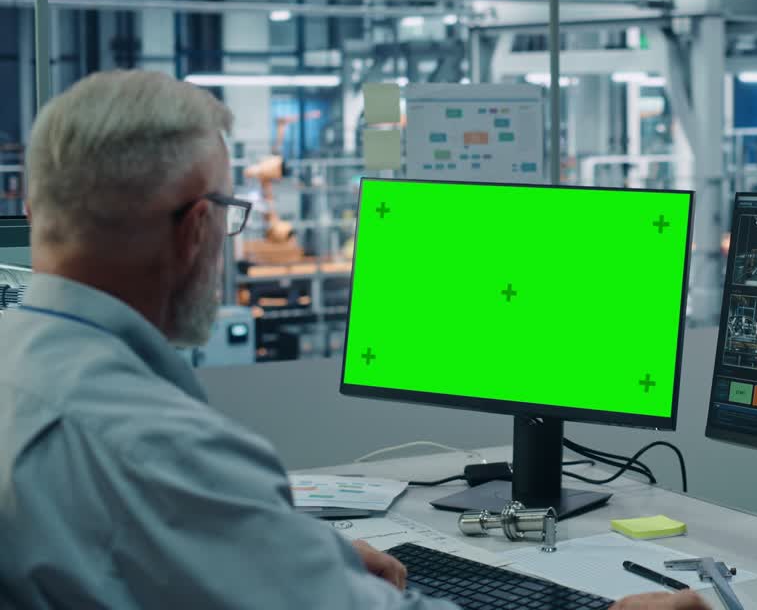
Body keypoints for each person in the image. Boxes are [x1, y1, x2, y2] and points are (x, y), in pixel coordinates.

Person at [0, 70, 709, 610]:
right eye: (228, 210)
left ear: (35, 209)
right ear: (194, 230)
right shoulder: (155, 447)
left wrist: (296, 559)